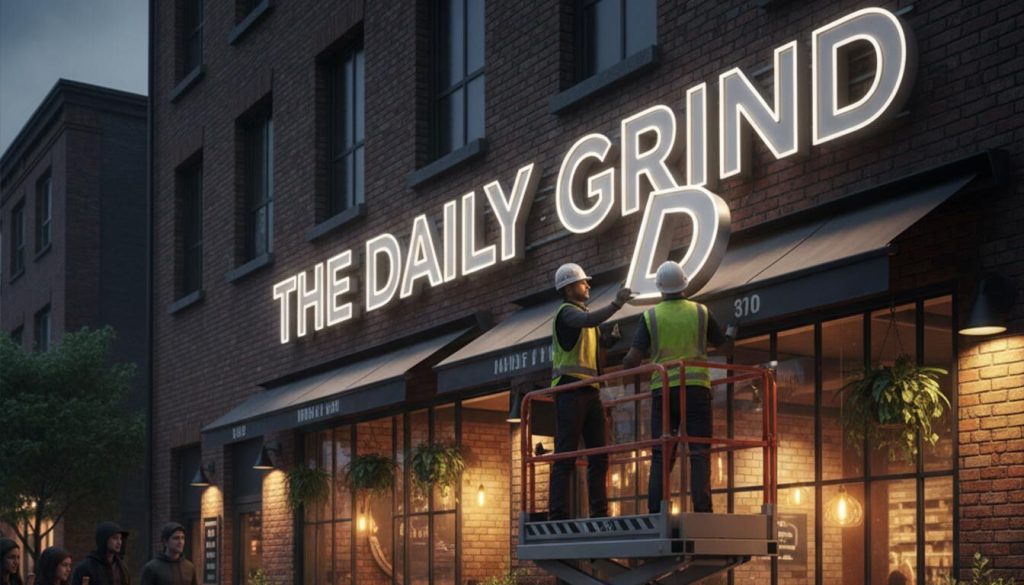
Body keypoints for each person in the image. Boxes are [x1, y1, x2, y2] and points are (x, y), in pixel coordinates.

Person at [623, 261, 734, 514]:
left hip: (664, 391)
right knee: (699, 451)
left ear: (660, 289)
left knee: (663, 453)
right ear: (685, 284)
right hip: (696, 389)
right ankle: (703, 510)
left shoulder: (650, 316)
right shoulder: (701, 312)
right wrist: (732, 333)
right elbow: (725, 348)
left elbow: (632, 359)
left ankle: (656, 510)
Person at [547, 262, 633, 520]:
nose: (588, 286)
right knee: (566, 453)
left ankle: (599, 512)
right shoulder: (567, 313)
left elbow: (590, 346)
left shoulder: (582, 317)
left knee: (599, 453)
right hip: (570, 389)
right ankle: (558, 514)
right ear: (570, 287)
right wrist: (616, 304)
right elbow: (587, 320)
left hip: (588, 391)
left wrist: (609, 341)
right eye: (584, 283)